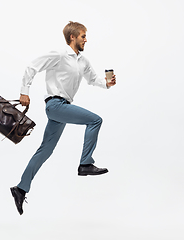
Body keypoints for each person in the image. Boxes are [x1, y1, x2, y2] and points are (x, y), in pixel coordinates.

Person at [10, 21, 116, 215]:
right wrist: (24, 91)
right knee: (95, 120)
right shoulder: (59, 54)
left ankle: (20, 188)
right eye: (83, 36)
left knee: (45, 151)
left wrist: (107, 83)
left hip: (62, 108)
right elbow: (32, 67)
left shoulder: (82, 61)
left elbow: (93, 80)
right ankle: (85, 164)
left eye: (86, 36)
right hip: (54, 105)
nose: (86, 39)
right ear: (72, 37)